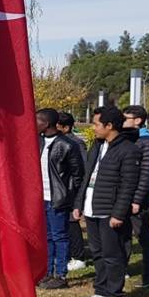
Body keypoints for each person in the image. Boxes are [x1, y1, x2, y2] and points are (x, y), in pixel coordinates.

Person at [73, 107, 141, 297]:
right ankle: (101, 290)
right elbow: (87, 178)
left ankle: (116, 294)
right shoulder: (97, 146)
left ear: (109, 126)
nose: (93, 128)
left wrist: (118, 213)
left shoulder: (128, 149)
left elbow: (128, 184)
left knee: (113, 253)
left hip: (110, 211)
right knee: (98, 252)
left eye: (96, 124)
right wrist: (79, 203)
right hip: (92, 206)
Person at [35, 109, 85, 290]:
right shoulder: (38, 141)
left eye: (37, 121)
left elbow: (78, 175)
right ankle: (48, 272)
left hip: (58, 199)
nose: (34, 124)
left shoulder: (67, 145)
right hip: (41, 198)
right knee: (47, 237)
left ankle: (60, 274)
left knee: (60, 236)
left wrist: (72, 199)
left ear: (46, 124)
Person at [121, 105, 149, 288]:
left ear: (138, 120)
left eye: (126, 118)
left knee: (143, 236)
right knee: (123, 235)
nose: (123, 122)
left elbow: (147, 174)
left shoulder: (147, 143)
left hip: (139, 199)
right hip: (124, 196)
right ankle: (122, 268)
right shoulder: (127, 140)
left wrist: (137, 199)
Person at [57, 112, 89, 271]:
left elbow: (82, 168)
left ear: (66, 127)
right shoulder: (58, 141)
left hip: (71, 188)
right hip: (61, 188)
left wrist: (77, 188)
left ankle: (78, 256)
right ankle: (68, 253)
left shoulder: (76, 144)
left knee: (72, 221)